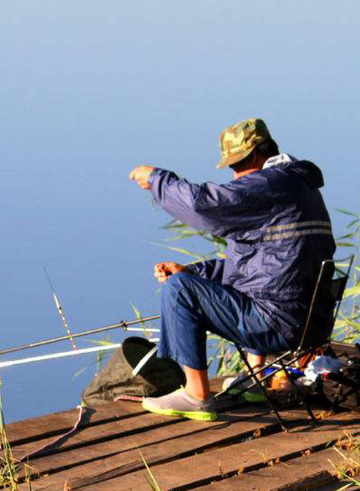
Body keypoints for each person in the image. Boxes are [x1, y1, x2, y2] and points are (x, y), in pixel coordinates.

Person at [128, 118, 336, 421]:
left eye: (238, 164)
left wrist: (159, 180)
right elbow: (259, 265)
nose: (236, 175)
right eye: (231, 167)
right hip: (309, 324)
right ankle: (257, 379)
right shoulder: (299, 187)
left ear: (258, 153)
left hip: (277, 324)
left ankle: (196, 395)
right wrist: (192, 271)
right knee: (189, 281)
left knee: (178, 290)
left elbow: (204, 205)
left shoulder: (271, 184)